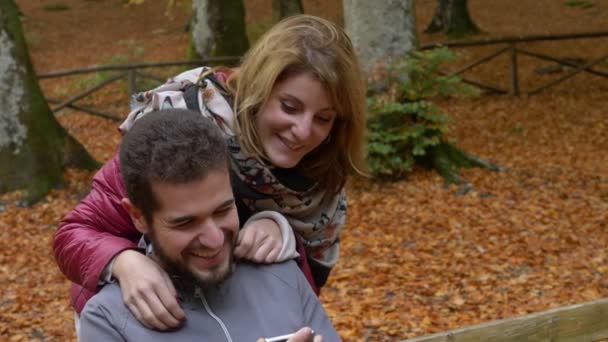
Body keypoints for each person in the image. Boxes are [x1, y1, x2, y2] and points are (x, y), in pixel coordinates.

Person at [53, 14, 367, 331]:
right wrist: (121, 261)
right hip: (138, 324)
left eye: (323, 118)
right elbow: (74, 233)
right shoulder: (178, 131)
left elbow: (298, 297)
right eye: (289, 106)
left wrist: (283, 231)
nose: (302, 131)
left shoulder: (321, 182)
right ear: (258, 89)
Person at [79, 108, 338, 342]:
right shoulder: (109, 320)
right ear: (139, 217)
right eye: (185, 223)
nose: (214, 240)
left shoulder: (280, 271)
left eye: (223, 210)